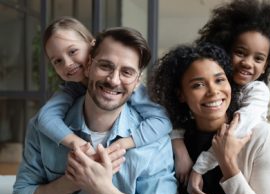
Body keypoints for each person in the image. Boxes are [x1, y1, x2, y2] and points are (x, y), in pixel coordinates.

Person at [13, 27, 178, 194]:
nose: (113, 80)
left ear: (137, 81)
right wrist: (70, 182)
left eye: (127, 72)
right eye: (105, 66)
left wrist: (103, 189)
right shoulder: (43, 128)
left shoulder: (154, 140)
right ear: (89, 66)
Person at [170, 0, 270, 194]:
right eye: (240, 52)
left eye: (258, 58)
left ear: (266, 66)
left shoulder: (256, 97)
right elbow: (170, 116)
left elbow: (237, 129)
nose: (247, 63)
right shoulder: (187, 127)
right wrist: (178, 145)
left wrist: (206, 165)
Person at [149, 42, 270, 194]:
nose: (213, 91)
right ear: (181, 94)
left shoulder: (261, 137)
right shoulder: (172, 142)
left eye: (219, 80)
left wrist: (228, 166)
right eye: (198, 85)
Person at [37, 16, 172, 155]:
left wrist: (124, 143)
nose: (67, 64)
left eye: (72, 51)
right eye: (58, 61)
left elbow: (162, 120)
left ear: (92, 46)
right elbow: (46, 119)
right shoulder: (70, 90)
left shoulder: (128, 87)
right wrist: (79, 144)